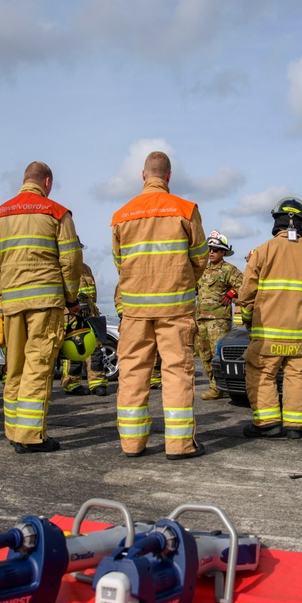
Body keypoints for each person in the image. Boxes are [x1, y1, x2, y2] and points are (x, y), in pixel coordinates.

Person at [0, 161, 82, 454]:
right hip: (45, 303)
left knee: (14, 369)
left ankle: (13, 431)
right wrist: (71, 298)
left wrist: (10, 277)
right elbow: (72, 260)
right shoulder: (57, 212)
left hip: (11, 303)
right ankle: (29, 436)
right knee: (38, 367)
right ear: (47, 182)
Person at [111, 151, 207, 460]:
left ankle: (131, 444)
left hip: (135, 311)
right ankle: (178, 445)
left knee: (132, 374)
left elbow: (119, 263)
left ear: (143, 176)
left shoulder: (121, 215)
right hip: (175, 308)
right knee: (177, 372)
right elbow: (201, 258)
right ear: (168, 177)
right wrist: (180, 281)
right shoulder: (185, 209)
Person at [236, 197, 302, 439]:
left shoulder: (262, 251)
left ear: (276, 220)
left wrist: (248, 320)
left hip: (268, 335)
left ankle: (267, 424)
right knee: (297, 375)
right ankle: (295, 427)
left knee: (261, 373)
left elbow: (246, 294)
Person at [196, 231, 243, 400]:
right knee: (205, 354)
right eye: (209, 249)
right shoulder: (201, 270)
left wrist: (231, 293)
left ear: (223, 252)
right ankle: (214, 386)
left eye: (216, 249)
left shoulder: (229, 269)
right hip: (201, 319)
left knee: (218, 355)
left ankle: (224, 385)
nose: (211, 252)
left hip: (219, 320)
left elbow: (244, 285)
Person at [60, 253, 109, 396]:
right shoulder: (60, 270)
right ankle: (72, 384)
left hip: (90, 315)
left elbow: (94, 296)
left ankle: (97, 383)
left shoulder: (86, 269)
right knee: (73, 351)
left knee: (95, 351)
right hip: (70, 317)